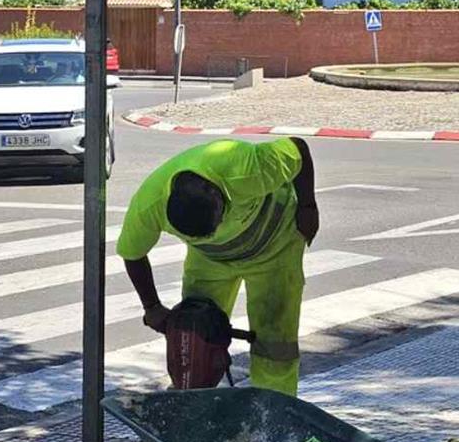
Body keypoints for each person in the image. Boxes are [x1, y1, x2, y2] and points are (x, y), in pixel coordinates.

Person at [118, 138, 318, 396]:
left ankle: (273, 405)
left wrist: (307, 206)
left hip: (275, 247)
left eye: (214, 225)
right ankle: (192, 401)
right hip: (210, 258)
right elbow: (132, 254)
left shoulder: (246, 167)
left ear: (215, 193)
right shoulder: (149, 205)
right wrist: (152, 307)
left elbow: (298, 148)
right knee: (192, 334)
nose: (217, 232)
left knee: (275, 344)